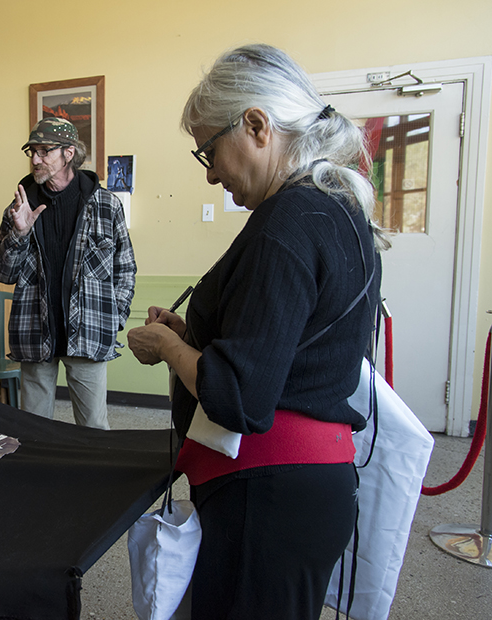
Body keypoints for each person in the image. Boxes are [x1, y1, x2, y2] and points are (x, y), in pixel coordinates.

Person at [127, 44, 389, 619]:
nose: (212, 172)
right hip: (308, 488)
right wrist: (193, 335)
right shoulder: (338, 208)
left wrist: (170, 347)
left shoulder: (287, 224)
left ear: (255, 125)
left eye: (209, 151)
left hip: (267, 493)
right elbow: (288, 347)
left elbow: (240, 396)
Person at [0, 118, 136, 430]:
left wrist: (115, 317)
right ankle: (41, 480)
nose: (35, 159)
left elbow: (125, 268)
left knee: (94, 429)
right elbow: (4, 272)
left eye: (44, 151)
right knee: (34, 430)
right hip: (34, 334)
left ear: (68, 153)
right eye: (32, 152)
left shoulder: (106, 206)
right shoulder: (20, 207)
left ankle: (96, 481)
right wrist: (19, 233)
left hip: (89, 332)